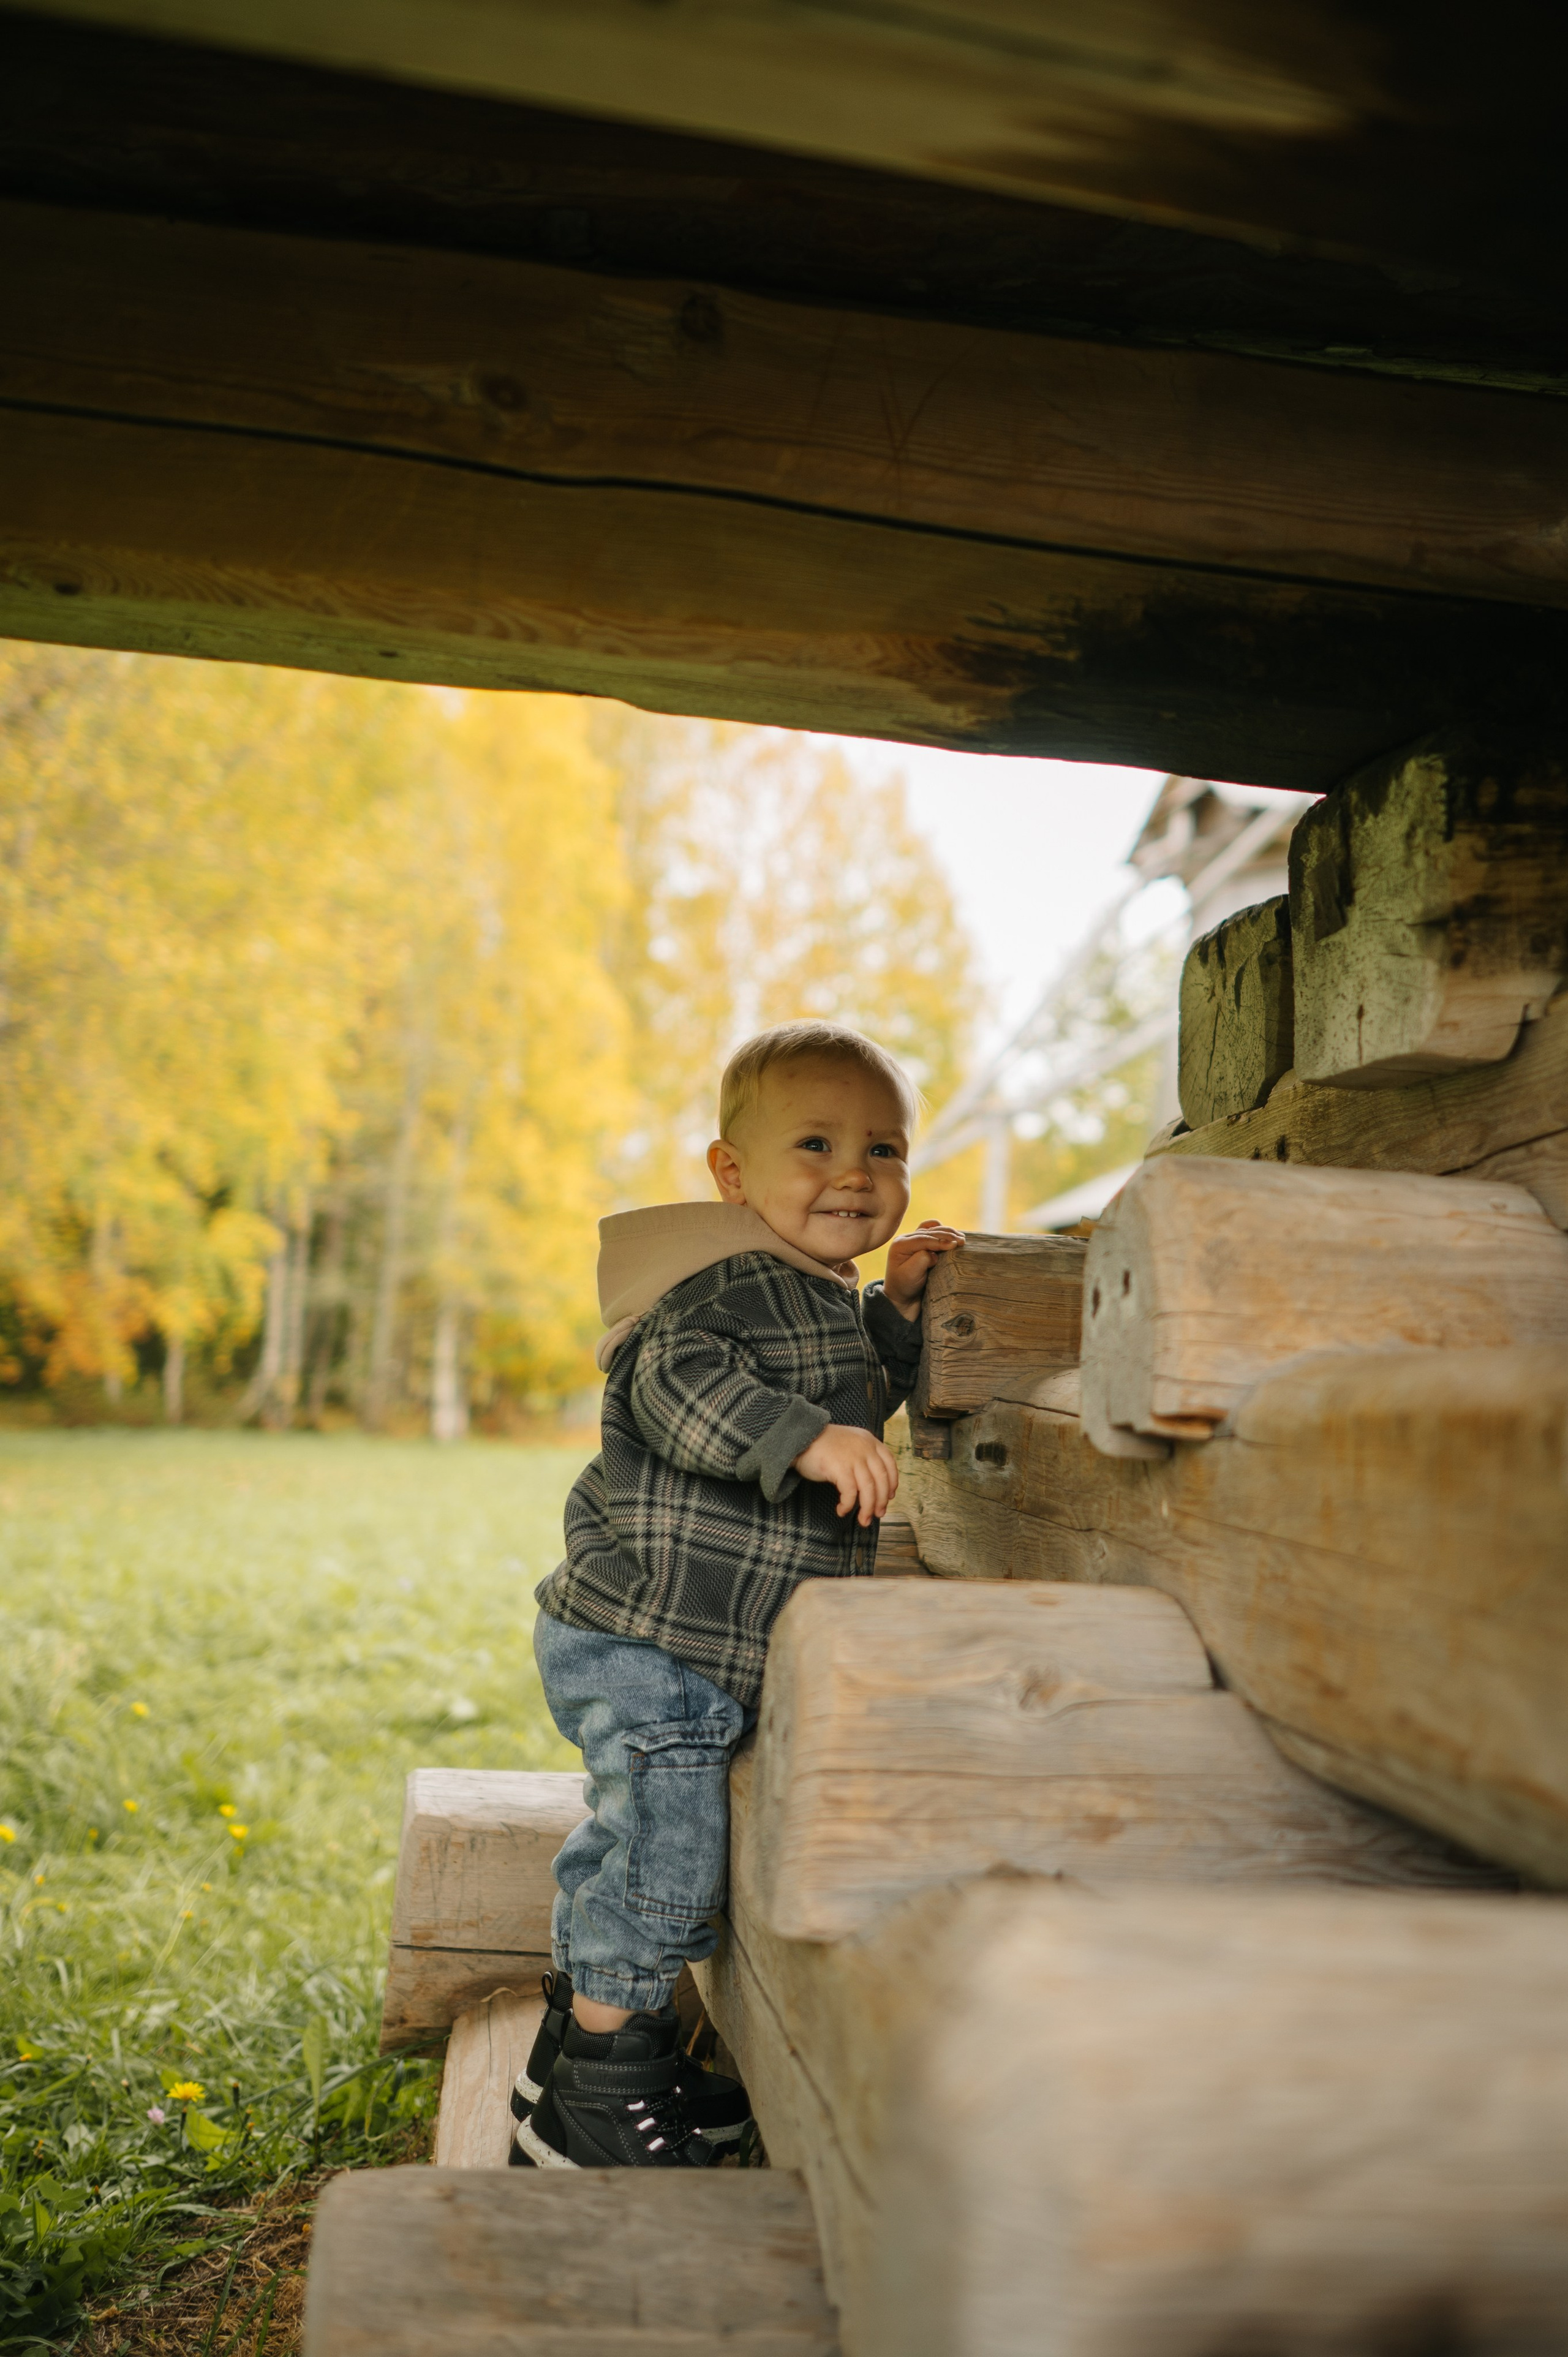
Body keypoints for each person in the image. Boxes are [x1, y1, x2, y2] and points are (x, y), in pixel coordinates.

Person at [512, 1020, 962, 2168]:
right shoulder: (719, 1283)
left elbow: (848, 1386)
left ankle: (579, 2065)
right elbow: (679, 1387)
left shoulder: (810, 1289)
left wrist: (898, 1322)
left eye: (885, 1149)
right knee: (666, 1868)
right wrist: (805, 1439)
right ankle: (607, 2112)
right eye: (815, 1143)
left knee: (624, 1847)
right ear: (730, 1173)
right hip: (656, 1646)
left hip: (676, 1638)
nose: (856, 1174)